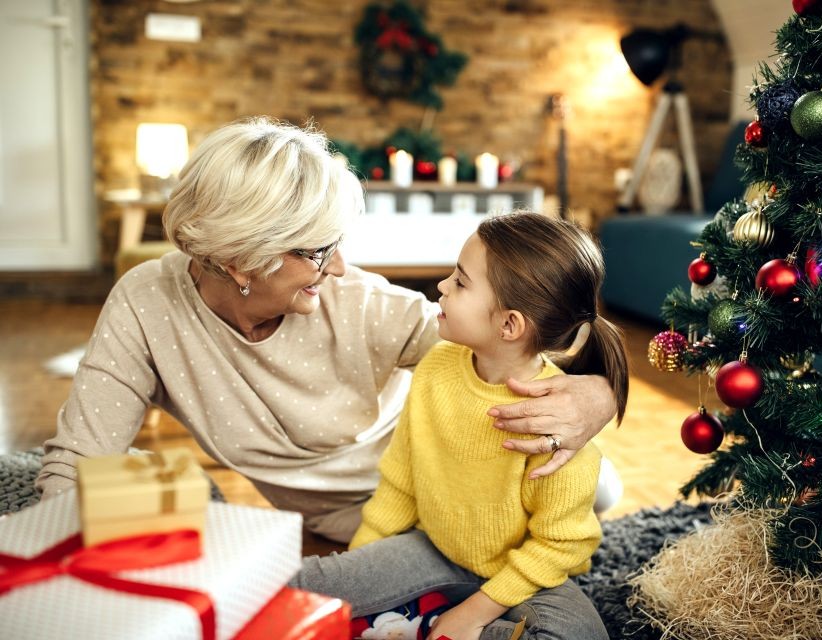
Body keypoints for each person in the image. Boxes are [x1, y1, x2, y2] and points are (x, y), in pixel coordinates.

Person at [36, 117, 618, 544]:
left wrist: (598, 392)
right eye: (318, 250)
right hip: (350, 521)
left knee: (600, 488)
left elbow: (522, 343)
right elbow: (80, 459)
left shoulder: (361, 302)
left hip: (448, 485)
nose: (338, 266)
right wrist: (42, 559)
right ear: (241, 259)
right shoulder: (147, 304)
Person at [290, 212, 628, 640]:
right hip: (433, 549)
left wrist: (475, 613)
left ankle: (428, 623)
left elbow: (560, 544)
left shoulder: (555, 417)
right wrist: (361, 569)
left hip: (522, 574)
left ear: (509, 324)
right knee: (304, 586)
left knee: (580, 634)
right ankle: (421, 620)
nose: (442, 287)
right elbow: (401, 480)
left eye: (461, 282)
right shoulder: (436, 368)